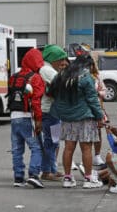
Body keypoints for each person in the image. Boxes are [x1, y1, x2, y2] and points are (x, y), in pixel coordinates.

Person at [49, 54, 104, 189]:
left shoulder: (61, 75)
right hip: (84, 116)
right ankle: (88, 179)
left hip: (67, 118)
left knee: (68, 148)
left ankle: (67, 178)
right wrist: (99, 116)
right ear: (89, 65)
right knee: (86, 148)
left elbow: (51, 93)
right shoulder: (85, 77)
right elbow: (92, 99)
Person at [9, 48, 45, 188]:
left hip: (13, 117)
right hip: (27, 117)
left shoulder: (14, 76)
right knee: (36, 147)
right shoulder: (35, 78)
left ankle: (18, 178)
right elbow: (35, 101)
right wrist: (39, 120)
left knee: (17, 149)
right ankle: (34, 174)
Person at [39, 44, 67, 181]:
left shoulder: (47, 69)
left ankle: (52, 169)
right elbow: (64, 84)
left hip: (53, 112)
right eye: (60, 59)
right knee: (50, 141)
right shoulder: (47, 70)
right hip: (49, 112)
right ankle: (46, 171)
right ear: (53, 59)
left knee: (54, 141)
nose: (63, 63)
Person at [87, 56, 107, 166]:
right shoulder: (80, 76)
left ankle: (97, 155)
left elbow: (104, 90)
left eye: (91, 65)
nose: (89, 67)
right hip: (85, 109)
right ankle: (87, 156)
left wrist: (99, 93)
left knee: (98, 132)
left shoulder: (97, 77)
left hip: (98, 107)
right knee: (85, 133)